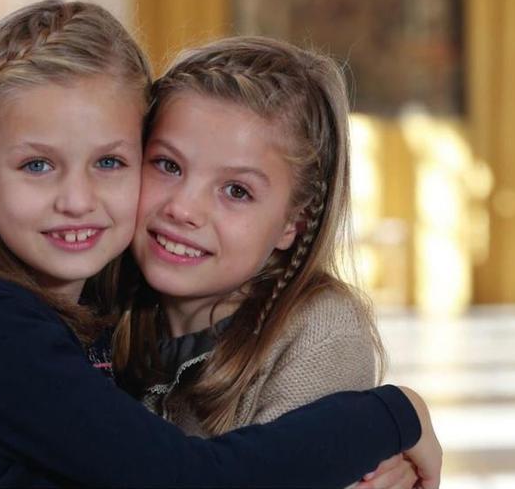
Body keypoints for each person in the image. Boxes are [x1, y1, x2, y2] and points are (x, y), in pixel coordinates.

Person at [0, 0, 441, 488]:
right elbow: (186, 479)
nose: (77, 199)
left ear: (296, 220)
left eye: (108, 161)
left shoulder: (87, 304)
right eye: (37, 164)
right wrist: (394, 413)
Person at [107, 36, 421, 487]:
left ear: (293, 222)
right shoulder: (100, 296)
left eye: (237, 191)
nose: (184, 208)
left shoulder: (321, 334)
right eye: (168, 165)